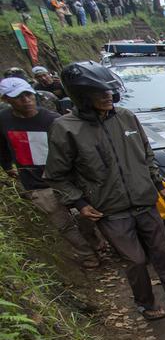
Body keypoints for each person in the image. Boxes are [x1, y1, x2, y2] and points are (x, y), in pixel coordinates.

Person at [45, 61, 165, 320]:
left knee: (164, 255)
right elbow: (56, 176)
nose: (109, 97)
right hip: (110, 209)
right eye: (101, 93)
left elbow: (147, 154)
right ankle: (146, 304)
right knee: (136, 261)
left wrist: (158, 184)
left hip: (144, 201)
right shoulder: (66, 129)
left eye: (110, 91)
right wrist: (80, 203)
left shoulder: (127, 117)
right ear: (82, 96)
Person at [0, 77, 102, 269]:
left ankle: (95, 241)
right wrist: (7, 166)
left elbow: (75, 149)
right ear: (6, 99)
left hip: (66, 179)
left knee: (85, 215)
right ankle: (88, 255)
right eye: (19, 97)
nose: (26, 100)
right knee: (62, 224)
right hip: (36, 183)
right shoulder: (3, 120)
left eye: (28, 95)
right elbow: (2, 147)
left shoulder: (53, 119)